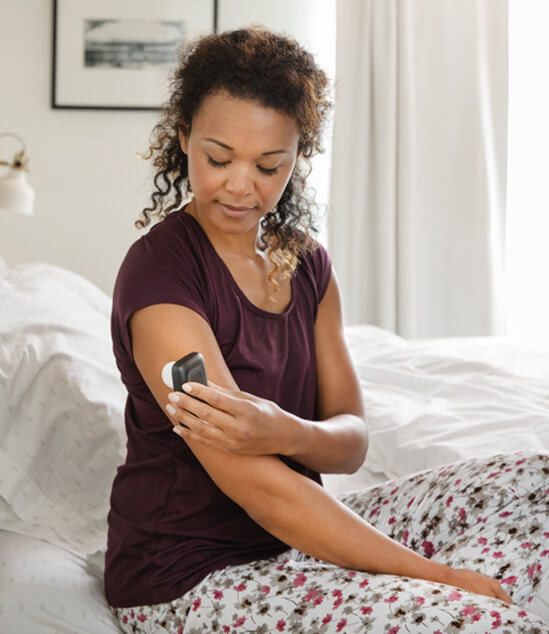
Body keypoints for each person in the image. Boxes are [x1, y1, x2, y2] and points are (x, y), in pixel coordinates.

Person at [104, 26, 549, 633]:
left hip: (295, 541)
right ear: (182, 138)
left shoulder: (306, 263)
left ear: (297, 157)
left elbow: (351, 442)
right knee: (477, 621)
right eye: (217, 158)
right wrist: (439, 579)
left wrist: (281, 428)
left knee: (533, 483)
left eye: (268, 165)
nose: (241, 184)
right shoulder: (161, 275)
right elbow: (259, 487)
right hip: (186, 574)